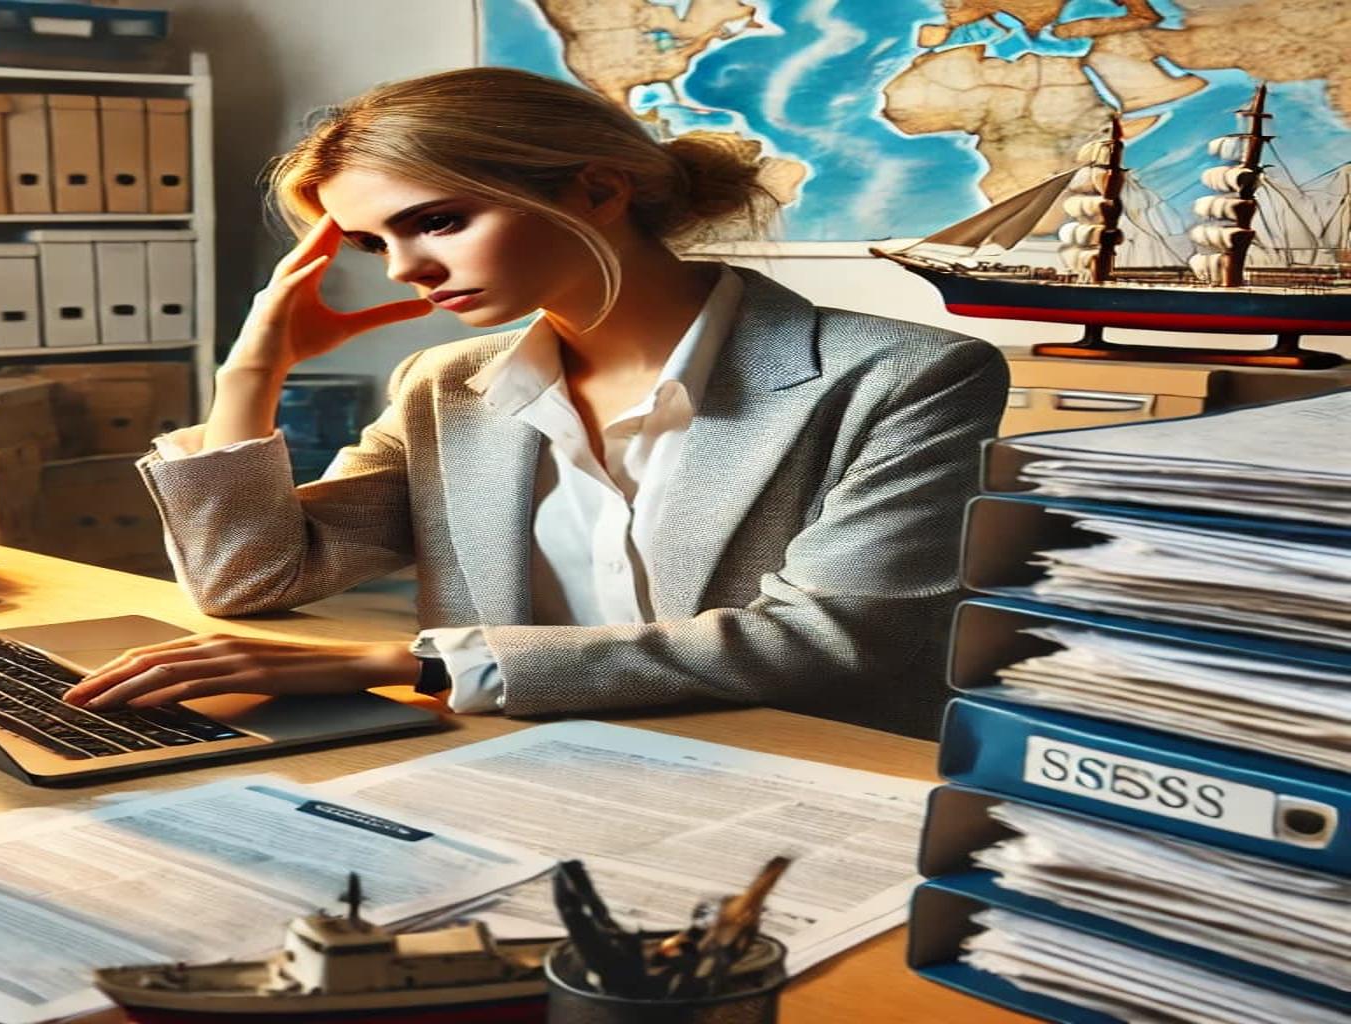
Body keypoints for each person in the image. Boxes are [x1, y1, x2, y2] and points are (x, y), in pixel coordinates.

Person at [63, 67, 1007, 738]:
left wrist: (412, 663)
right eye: (369, 244)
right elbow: (251, 581)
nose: (405, 269)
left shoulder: (905, 376)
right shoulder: (443, 388)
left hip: (799, 776)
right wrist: (249, 376)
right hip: (526, 763)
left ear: (598, 190)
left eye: (436, 221)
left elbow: (832, 643)